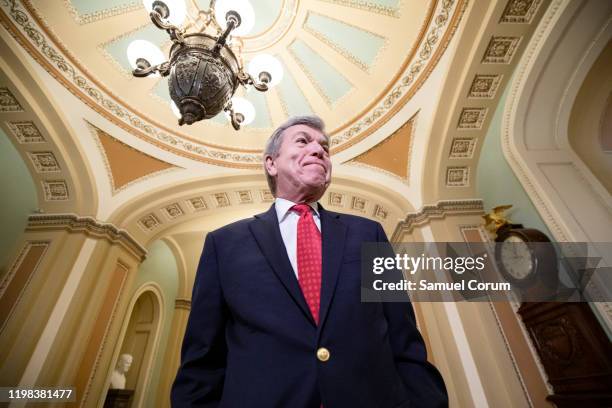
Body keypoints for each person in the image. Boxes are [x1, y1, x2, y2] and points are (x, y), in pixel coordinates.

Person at [171, 116, 448, 407]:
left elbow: (404, 340)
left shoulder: (370, 234)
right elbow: (202, 360)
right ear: (271, 163)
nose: (319, 150)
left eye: (325, 148)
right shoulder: (224, 243)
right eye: (303, 141)